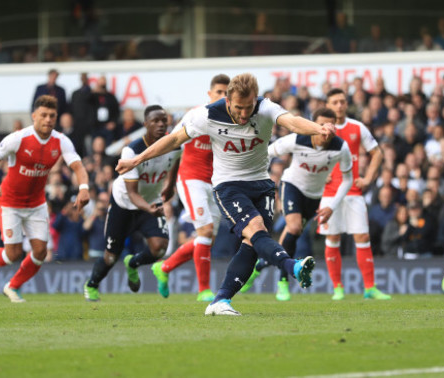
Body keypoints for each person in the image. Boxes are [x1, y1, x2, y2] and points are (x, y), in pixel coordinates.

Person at [117, 73, 335, 315]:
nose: (244, 114)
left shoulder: (265, 108)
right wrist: (138, 159)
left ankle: (221, 300)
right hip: (229, 186)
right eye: (238, 108)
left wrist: (319, 128)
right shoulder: (207, 115)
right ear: (228, 101)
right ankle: (292, 266)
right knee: (255, 230)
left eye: (248, 107)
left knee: (252, 245)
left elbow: (293, 122)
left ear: (256, 99)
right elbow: (174, 139)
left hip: (261, 183)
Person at [0, 95, 90, 302]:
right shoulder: (18, 138)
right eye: (43, 115)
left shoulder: (61, 141)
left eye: (52, 116)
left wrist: (84, 188)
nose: (48, 119)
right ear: (34, 116)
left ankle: (13, 286)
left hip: (36, 204)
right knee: (12, 255)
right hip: (10, 202)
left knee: (40, 251)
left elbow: (78, 166)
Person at [239, 108, 353, 301]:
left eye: (330, 127)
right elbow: (267, 151)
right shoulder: (298, 140)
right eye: (321, 125)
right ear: (313, 125)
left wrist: (332, 206)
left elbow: (348, 179)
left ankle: (260, 265)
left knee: (293, 233)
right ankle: (283, 282)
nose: (326, 131)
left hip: (314, 196)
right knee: (293, 227)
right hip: (291, 186)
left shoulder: (340, 147)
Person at [83, 105, 180, 301]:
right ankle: (91, 284)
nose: (161, 124)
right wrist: (150, 208)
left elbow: (174, 168)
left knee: (160, 248)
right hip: (124, 204)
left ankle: (133, 263)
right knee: (111, 256)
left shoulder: (175, 146)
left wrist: (169, 189)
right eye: (155, 121)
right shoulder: (132, 151)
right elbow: (132, 193)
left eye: (164, 120)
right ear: (145, 124)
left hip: (150, 201)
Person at [152, 74, 230, 302]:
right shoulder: (196, 115)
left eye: (227, 93)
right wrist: (167, 183)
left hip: (214, 183)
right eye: (219, 92)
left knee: (206, 240)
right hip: (191, 178)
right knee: (204, 232)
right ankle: (204, 290)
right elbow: (174, 143)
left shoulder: (232, 121)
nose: (223, 96)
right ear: (210, 94)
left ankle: (164, 268)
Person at [318, 88, 391, 301]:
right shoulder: (319, 129)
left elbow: (377, 152)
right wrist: (319, 176)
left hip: (353, 191)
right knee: (333, 237)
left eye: (342, 101)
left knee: (363, 236)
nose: (339, 105)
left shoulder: (357, 127)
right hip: (330, 193)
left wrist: (368, 178)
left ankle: (369, 287)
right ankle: (337, 287)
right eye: (335, 102)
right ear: (328, 105)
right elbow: (308, 155)